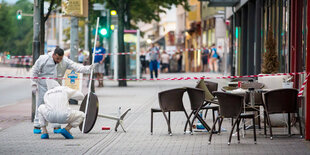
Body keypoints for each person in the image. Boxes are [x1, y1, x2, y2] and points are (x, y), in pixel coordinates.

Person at [31, 47, 95, 134]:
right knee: (41, 104)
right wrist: (33, 84)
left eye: (61, 59)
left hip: (56, 86)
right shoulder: (43, 59)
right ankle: (38, 125)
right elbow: (35, 70)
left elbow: (76, 67)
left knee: (57, 105)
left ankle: (56, 126)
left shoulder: (65, 61)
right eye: (57, 58)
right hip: (43, 86)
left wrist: (88, 68)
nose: (59, 61)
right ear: (53, 55)